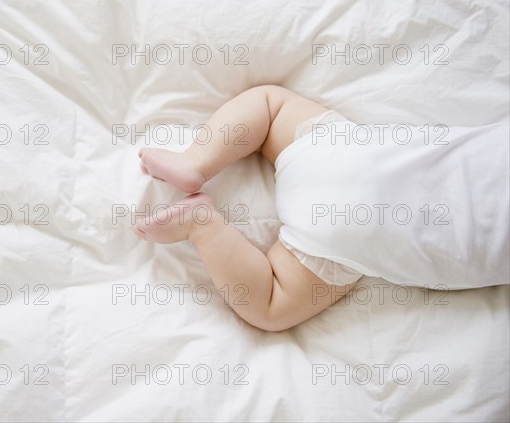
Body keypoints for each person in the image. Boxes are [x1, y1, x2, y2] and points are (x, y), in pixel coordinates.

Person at [134, 85, 510, 331]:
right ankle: (201, 225)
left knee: (269, 106)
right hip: (356, 238)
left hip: (346, 160)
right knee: (269, 306)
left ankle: (196, 161)